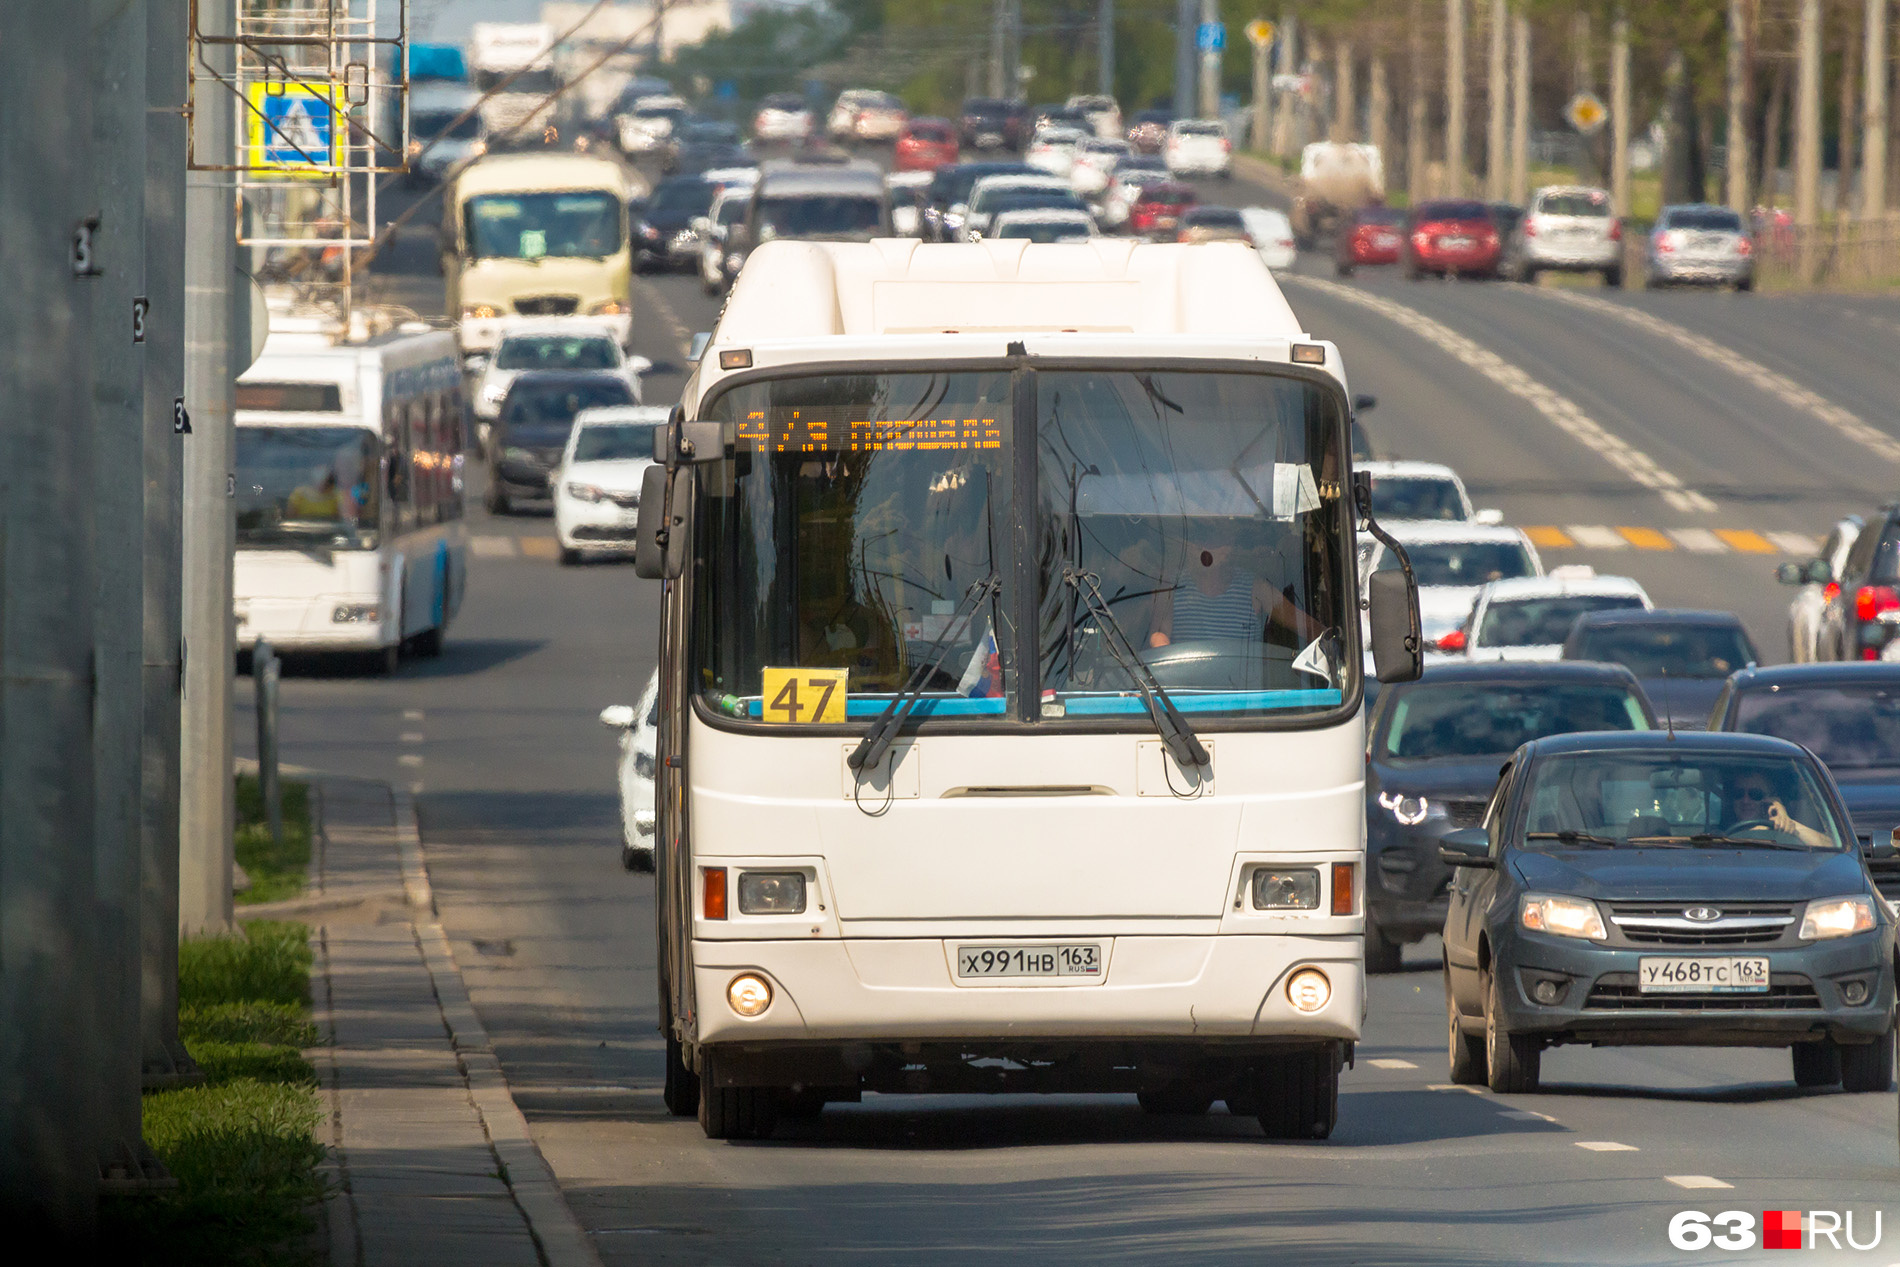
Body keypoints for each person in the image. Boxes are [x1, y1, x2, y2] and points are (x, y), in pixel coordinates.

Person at [1148, 519, 1322, 648]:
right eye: (1201, 538)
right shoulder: (1171, 588)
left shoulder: (1255, 588)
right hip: (1186, 695)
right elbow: (1158, 636)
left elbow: (1306, 626)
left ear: (1231, 544)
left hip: (1246, 695)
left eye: (1218, 539)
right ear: (1189, 543)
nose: (1206, 546)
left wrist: (1335, 646)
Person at [1725, 768, 1833, 850]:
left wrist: (1789, 824)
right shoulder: (1716, 835)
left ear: (1770, 800)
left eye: (1755, 794)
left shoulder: (1787, 838)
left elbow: (1831, 848)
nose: (1745, 800)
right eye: (1738, 794)